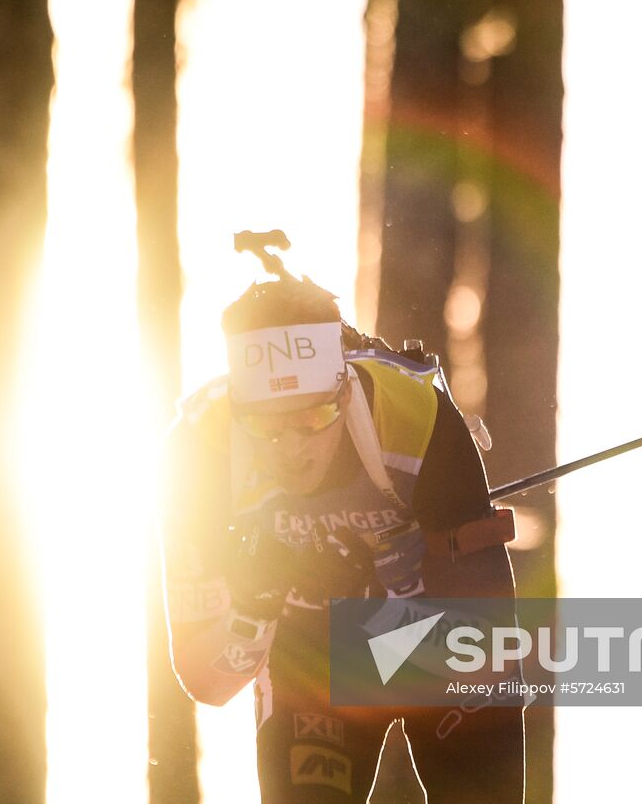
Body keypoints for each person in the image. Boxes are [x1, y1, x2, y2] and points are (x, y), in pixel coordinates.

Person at [159, 273, 524, 802]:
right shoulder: (199, 452)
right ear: (239, 412)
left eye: (314, 415)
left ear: (344, 388)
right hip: (313, 656)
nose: (292, 447)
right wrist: (253, 610)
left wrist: (395, 595)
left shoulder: (415, 415)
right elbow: (206, 684)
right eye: (265, 425)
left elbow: (486, 637)